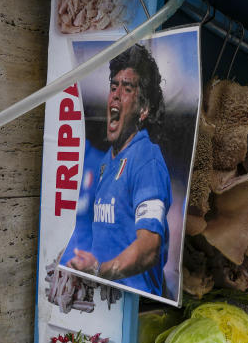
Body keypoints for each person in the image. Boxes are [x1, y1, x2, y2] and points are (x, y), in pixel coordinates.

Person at [67, 43, 172, 297]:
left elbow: (148, 249)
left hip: (135, 306)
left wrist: (99, 270)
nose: (115, 94)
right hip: (105, 299)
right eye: (113, 87)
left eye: (126, 89)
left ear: (144, 109)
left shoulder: (147, 160)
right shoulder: (106, 161)